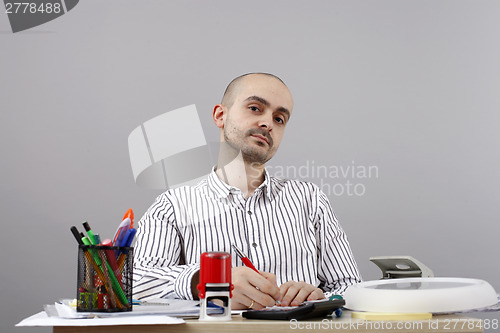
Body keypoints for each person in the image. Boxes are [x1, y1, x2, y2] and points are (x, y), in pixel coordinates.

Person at [133, 73, 361, 310]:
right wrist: (206, 281)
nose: (267, 123)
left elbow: (351, 287)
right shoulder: (173, 204)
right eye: (255, 108)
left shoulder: (310, 200)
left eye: (279, 119)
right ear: (221, 115)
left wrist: (320, 298)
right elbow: (137, 283)